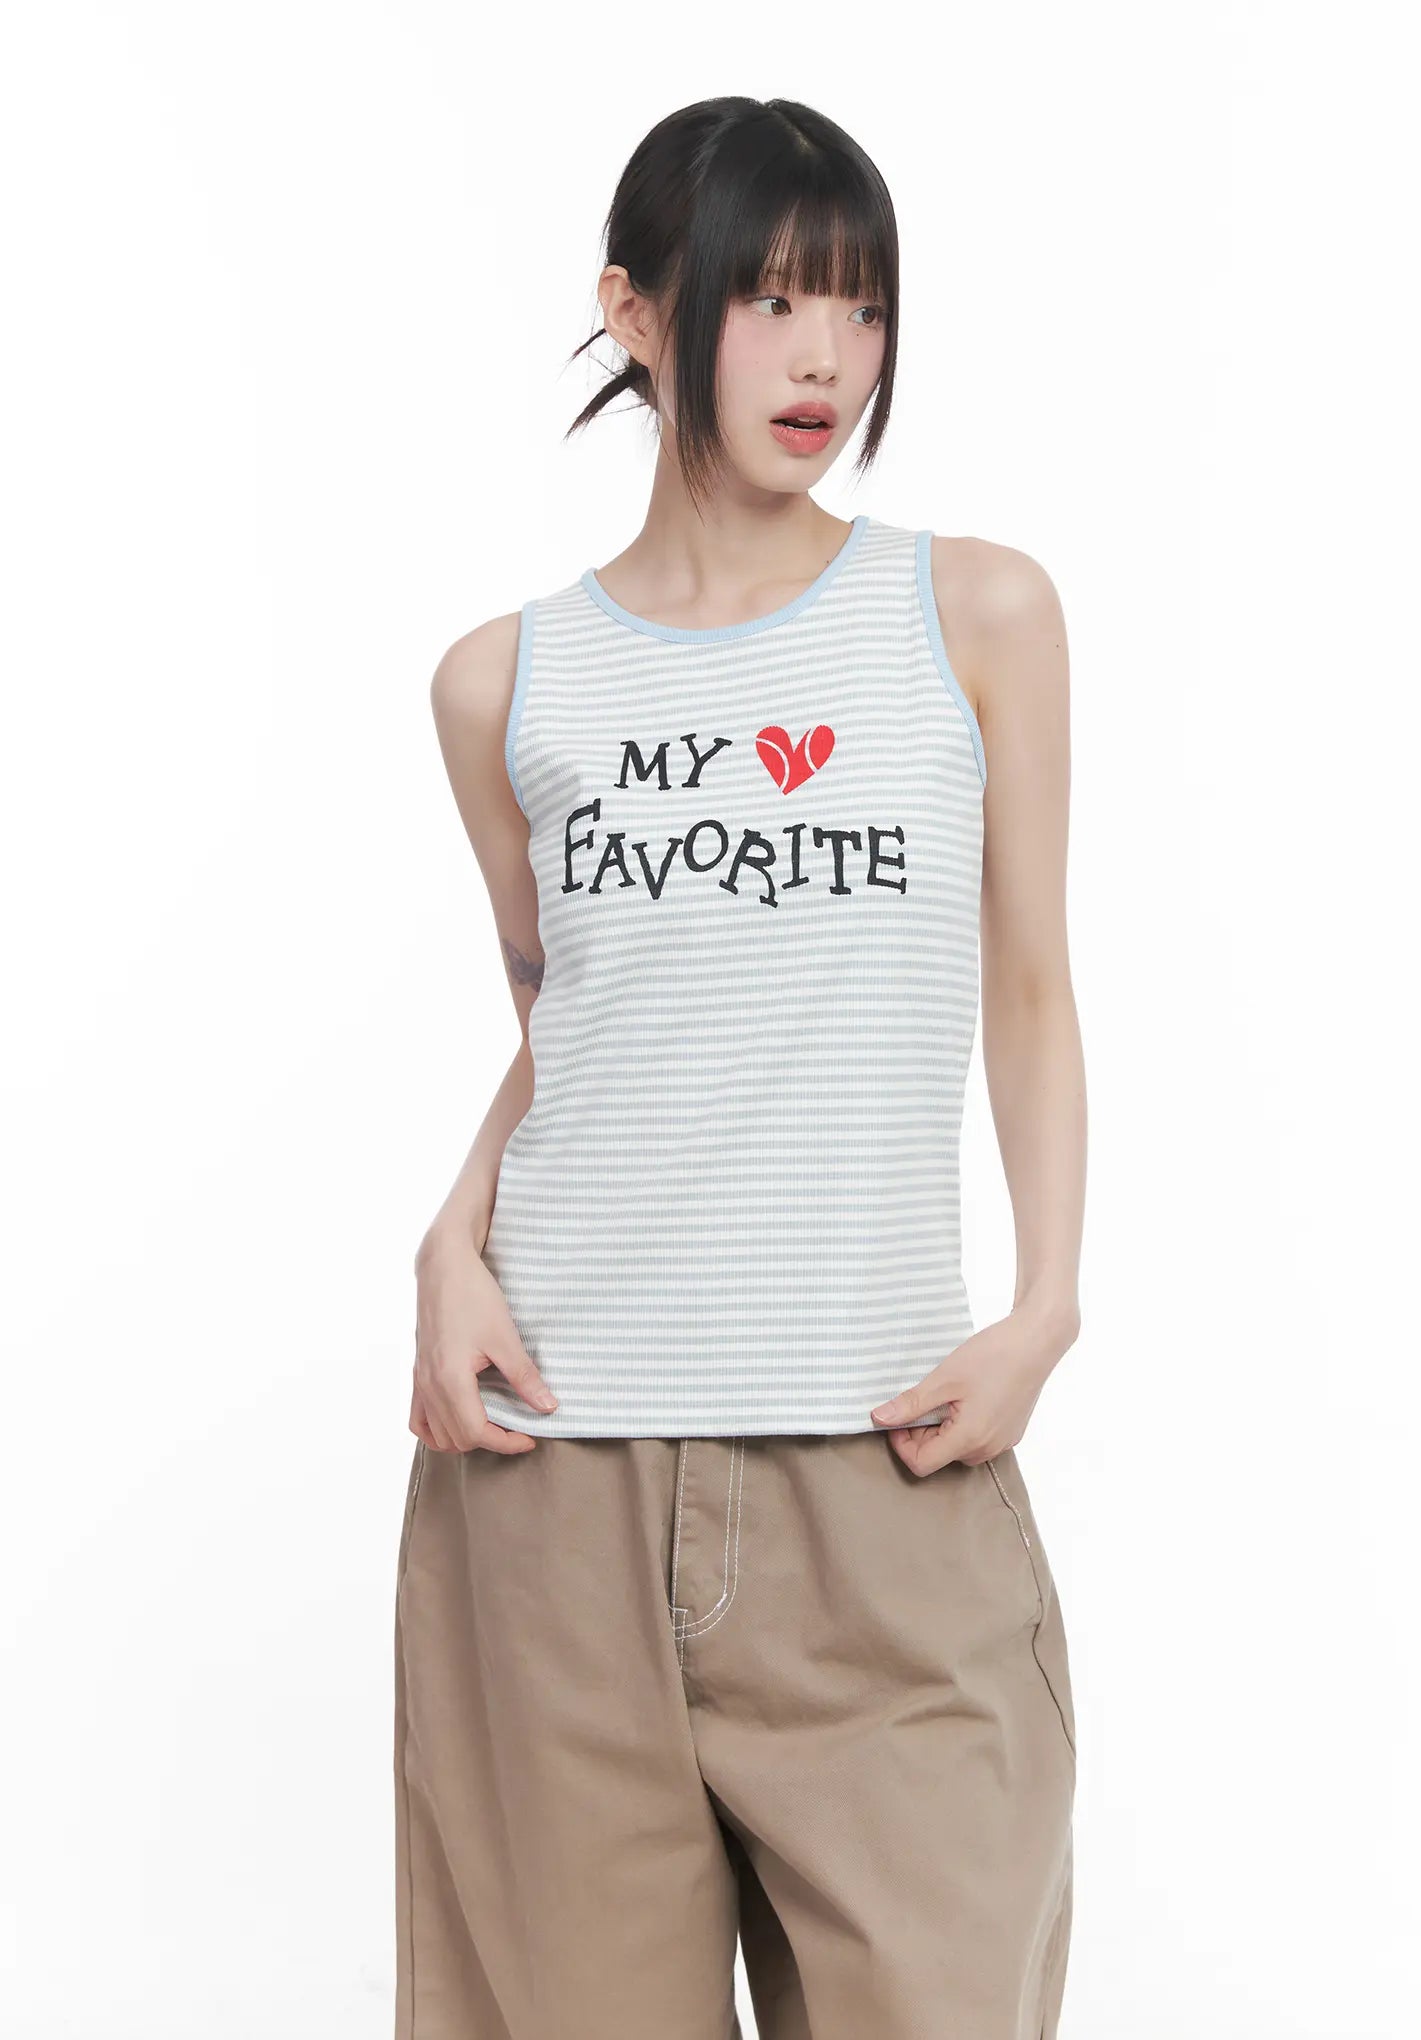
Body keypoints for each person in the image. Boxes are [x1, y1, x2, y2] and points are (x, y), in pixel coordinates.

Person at [394, 94, 1086, 2040]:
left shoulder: (975, 613)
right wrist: (451, 1236)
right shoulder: (503, 683)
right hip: (549, 1483)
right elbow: (579, 1019)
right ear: (637, 313)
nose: (825, 359)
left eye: (859, 305)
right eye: (771, 299)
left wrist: (1045, 1303)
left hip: (888, 1461)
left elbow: (1032, 985)